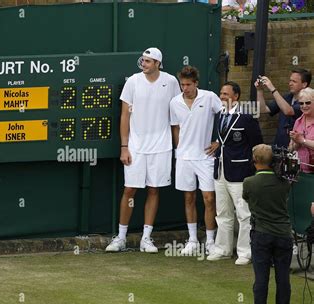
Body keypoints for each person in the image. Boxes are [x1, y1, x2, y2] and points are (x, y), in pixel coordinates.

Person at [106, 47, 180, 253]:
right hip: (135, 147)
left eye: (148, 61)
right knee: (130, 190)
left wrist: (178, 145)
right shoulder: (133, 82)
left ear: (157, 63)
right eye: (143, 61)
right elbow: (124, 116)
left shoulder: (171, 82)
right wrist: (124, 146)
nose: (144, 64)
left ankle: (146, 238)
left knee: (154, 189)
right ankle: (120, 237)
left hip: (161, 147)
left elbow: (176, 113)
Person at [207, 81, 263, 265]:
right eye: (221, 93)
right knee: (222, 213)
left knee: (244, 213)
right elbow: (220, 141)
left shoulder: (246, 117)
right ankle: (223, 249)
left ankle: (245, 252)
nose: (222, 97)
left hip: (240, 172)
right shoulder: (219, 115)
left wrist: (252, 169)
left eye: (226, 94)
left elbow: (257, 144)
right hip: (220, 170)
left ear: (236, 96)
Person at [170, 66, 222, 255]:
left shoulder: (209, 97)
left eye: (188, 84)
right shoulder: (174, 102)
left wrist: (218, 141)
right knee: (189, 197)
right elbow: (175, 128)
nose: (185, 88)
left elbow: (225, 117)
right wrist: (179, 149)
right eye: (182, 84)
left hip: (205, 157)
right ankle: (192, 240)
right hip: (184, 158)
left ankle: (210, 240)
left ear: (196, 83)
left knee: (209, 198)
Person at [242, 144, 293, 304]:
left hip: (261, 235)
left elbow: (247, 198)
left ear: (255, 160)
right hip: (283, 235)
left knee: (261, 278)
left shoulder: (249, 182)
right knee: (283, 278)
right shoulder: (285, 181)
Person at [256, 68, 311, 148]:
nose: (290, 84)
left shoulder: (307, 102)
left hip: (296, 147)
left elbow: (288, 111)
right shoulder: (287, 97)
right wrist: (259, 90)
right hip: (279, 145)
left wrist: (272, 88)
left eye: (294, 81)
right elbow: (263, 109)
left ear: (304, 84)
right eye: (290, 81)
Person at [289, 87, 314, 174]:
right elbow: (290, 148)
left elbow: (302, 140)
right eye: (301, 103)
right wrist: (295, 142)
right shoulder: (298, 121)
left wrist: (302, 140)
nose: (304, 106)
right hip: (299, 171)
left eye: (307, 103)